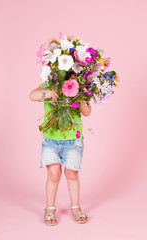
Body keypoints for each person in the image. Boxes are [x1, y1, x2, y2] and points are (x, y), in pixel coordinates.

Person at [29, 37, 92, 226]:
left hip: (73, 139)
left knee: (72, 175)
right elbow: (32, 95)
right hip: (51, 139)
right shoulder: (48, 84)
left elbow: (87, 112)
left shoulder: (78, 84)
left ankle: (75, 206)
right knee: (53, 175)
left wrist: (80, 97)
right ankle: (50, 208)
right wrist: (46, 94)